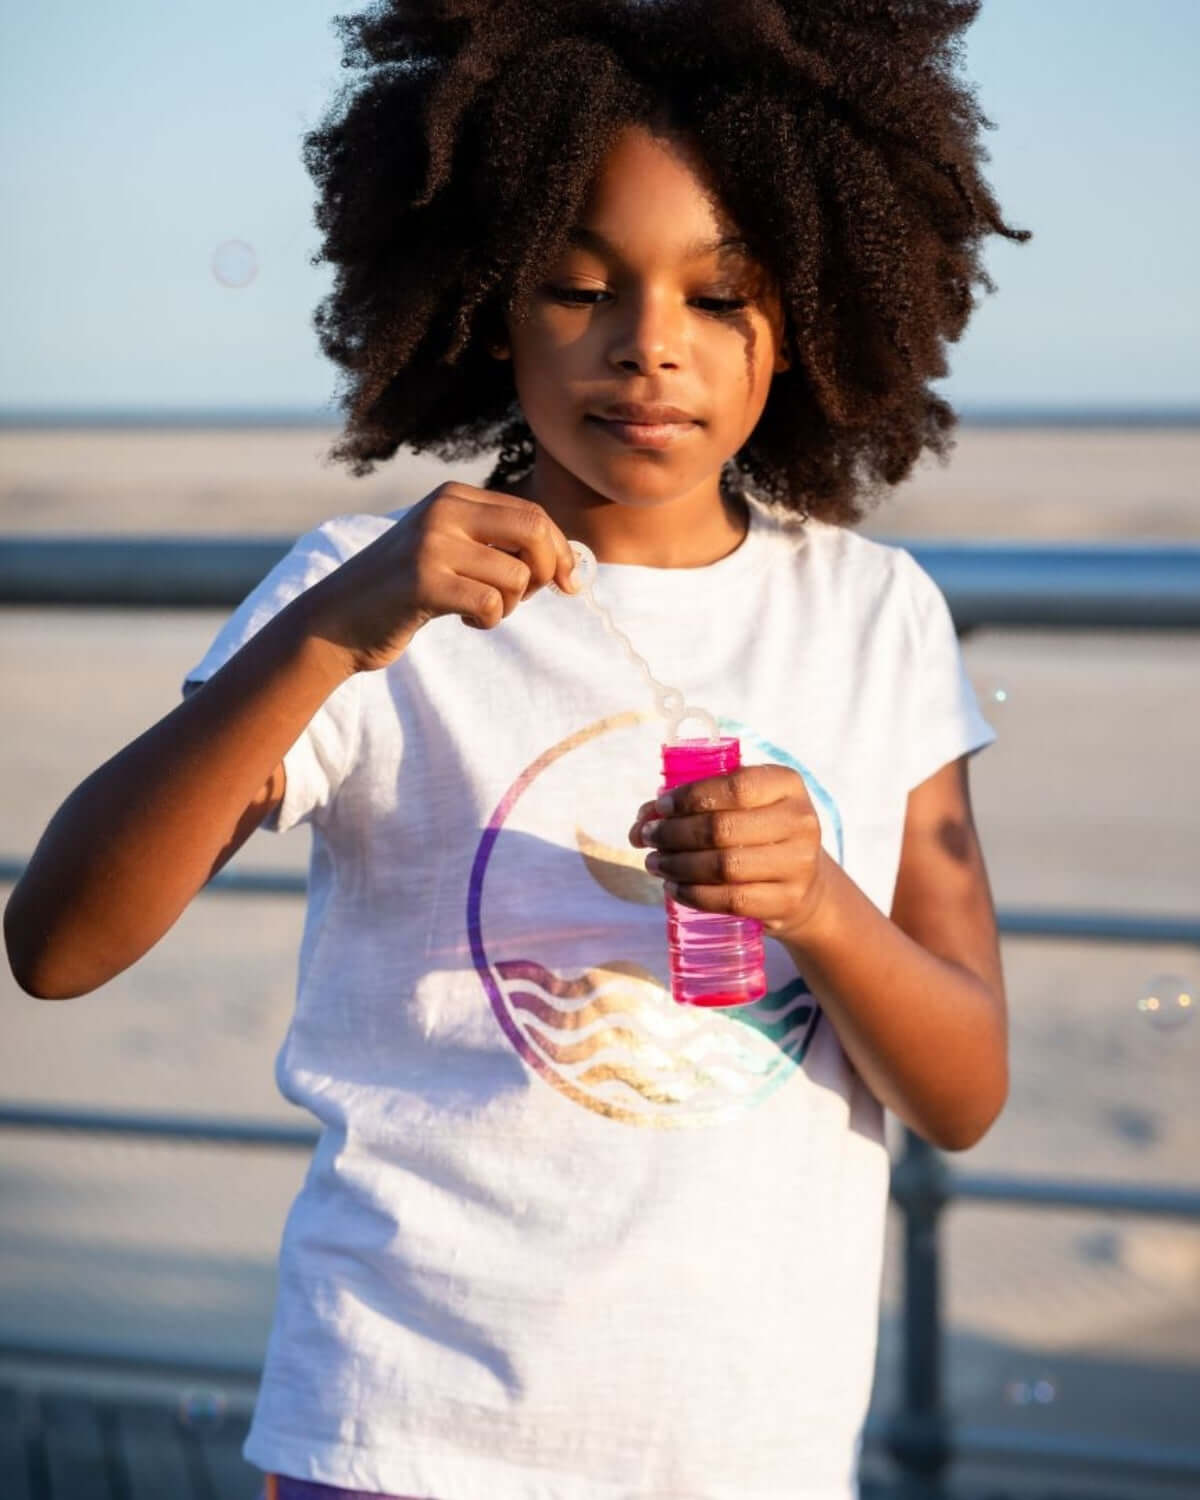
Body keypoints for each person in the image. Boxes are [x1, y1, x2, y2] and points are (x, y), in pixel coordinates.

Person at [5, 2, 1029, 1496]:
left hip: (751, 1451)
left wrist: (818, 904)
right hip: (399, 1434)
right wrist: (331, 636)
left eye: (722, 298)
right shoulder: (368, 594)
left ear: (808, 315)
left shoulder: (874, 617)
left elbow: (966, 1090)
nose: (649, 349)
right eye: (578, 286)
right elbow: (58, 944)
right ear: (488, 307)